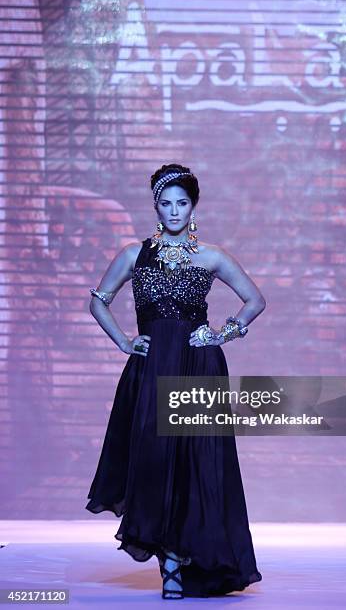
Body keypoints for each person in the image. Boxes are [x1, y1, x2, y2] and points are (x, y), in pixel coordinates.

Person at [85, 164, 266, 599]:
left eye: (181, 203)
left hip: (198, 368)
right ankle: (169, 557)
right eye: (165, 203)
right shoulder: (135, 254)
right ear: (155, 205)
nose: (173, 211)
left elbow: (255, 300)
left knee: (196, 465)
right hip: (151, 370)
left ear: (193, 205)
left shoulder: (211, 255)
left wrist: (222, 333)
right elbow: (98, 301)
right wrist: (125, 343)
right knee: (156, 461)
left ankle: (179, 563)